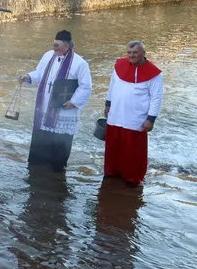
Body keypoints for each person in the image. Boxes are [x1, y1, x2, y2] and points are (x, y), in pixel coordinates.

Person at [19, 29, 93, 171]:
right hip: (45, 106)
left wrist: (73, 102)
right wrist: (28, 77)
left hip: (64, 109)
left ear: (67, 46)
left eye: (57, 46)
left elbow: (86, 87)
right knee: (41, 138)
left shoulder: (80, 63)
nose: (54, 48)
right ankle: (37, 164)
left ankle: (57, 168)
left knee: (59, 141)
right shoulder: (48, 56)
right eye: (53, 45)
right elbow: (39, 73)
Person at [102, 40, 163, 186]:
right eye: (129, 53)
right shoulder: (119, 66)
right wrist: (108, 104)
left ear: (143, 53)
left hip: (135, 117)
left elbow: (156, 98)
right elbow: (112, 86)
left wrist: (151, 119)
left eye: (135, 52)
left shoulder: (154, 74)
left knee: (132, 150)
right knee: (113, 146)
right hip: (116, 113)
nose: (131, 55)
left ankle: (132, 178)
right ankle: (112, 172)